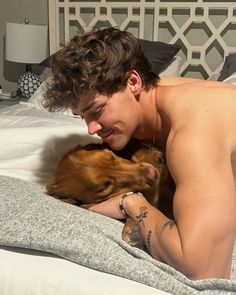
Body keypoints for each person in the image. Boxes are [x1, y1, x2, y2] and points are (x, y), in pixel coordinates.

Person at [44, 27, 236, 280]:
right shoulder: (157, 96)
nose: (91, 129)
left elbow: (203, 270)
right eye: (83, 117)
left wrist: (130, 202)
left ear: (133, 82)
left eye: (97, 110)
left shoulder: (193, 135)